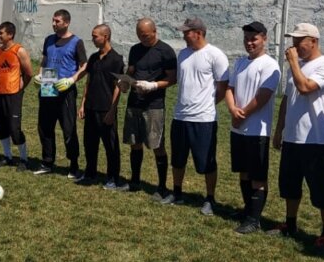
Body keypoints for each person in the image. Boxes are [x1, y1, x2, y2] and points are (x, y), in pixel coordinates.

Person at [271, 23, 324, 250]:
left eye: (299, 41)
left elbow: (306, 87)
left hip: (315, 139)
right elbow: (288, 98)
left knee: (320, 189)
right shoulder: (298, 65)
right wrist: (279, 129)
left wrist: (292, 63)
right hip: (293, 137)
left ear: (314, 41)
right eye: (293, 41)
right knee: (290, 185)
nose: (294, 46)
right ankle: (290, 224)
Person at [225, 22, 281, 232]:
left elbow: (263, 95)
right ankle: (247, 210)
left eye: (254, 39)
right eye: (246, 39)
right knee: (243, 172)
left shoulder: (270, 65)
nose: (249, 43)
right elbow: (230, 88)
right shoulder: (240, 62)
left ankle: (254, 219)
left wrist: (243, 114)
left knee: (257, 176)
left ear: (264, 39)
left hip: (257, 130)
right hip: (238, 127)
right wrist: (233, 109)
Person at [170, 17, 229, 216]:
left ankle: (210, 198)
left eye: (187, 32)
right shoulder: (183, 54)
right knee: (178, 159)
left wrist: (207, 105)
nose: (184, 36)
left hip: (204, 120)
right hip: (180, 116)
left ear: (199, 33)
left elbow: (223, 87)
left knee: (206, 162)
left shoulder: (215, 55)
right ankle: (177, 192)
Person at [120, 18, 177, 199]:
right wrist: (124, 81)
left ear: (154, 31)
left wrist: (153, 86)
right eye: (139, 35)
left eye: (145, 35)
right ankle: (135, 181)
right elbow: (131, 71)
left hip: (153, 105)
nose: (142, 38)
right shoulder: (135, 50)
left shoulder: (165, 51)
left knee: (156, 145)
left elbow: (172, 78)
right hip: (134, 102)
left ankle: (162, 187)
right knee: (134, 142)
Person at [34, 9, 88, 177]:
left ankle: (74, 165)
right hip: (48, 85)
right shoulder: (49, 40)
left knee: (68, 128)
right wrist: (40, 75)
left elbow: (84, 66)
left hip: (65, 89)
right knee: (45, 126)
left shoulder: (76, 42)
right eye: (53, 20)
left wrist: (72, 80)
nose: (53, 23)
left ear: (66, 22)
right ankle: (47, 162)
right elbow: (45, 60)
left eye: (57, 21)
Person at [77, 24, 127, 189]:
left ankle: (113, 177)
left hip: (105, 109)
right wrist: (83, 104)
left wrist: (112, 110)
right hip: (91, 107)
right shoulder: (93, 58)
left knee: (110, 145)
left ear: (105, 37)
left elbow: (118, 86)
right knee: (89, 143)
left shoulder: (116, 59)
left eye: (95, 36)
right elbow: (88, 81)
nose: (92, 39)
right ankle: (90, 173)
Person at [0, 21, 33, 171]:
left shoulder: (19, 50)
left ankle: (23, 158)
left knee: (14, 128)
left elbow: (29, 73)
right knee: (1, 127)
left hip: (13, 94)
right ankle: (7, 156)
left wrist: (21, 87)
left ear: (10, 35)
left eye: (1, 33)